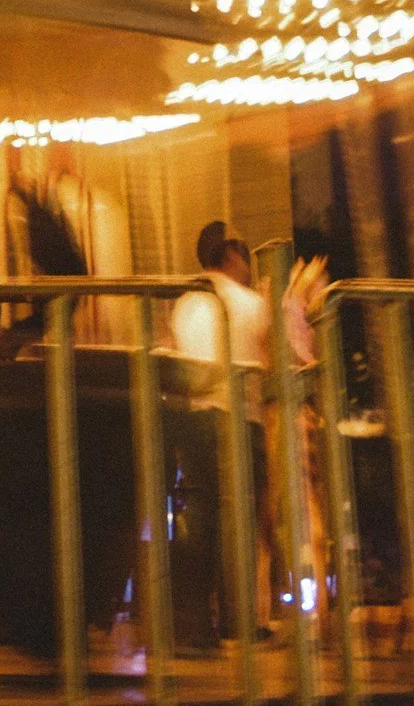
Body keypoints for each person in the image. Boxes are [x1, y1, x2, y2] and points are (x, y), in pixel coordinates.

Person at [168, 223, 273, 647]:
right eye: (243, 255)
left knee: (199, 516)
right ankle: (239, 621)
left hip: (194, 418)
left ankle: (192, 626)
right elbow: (271, 360)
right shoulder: (250, 304)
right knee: (239, 520)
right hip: (239, 418)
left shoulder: (185, 305)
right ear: (231, 256)